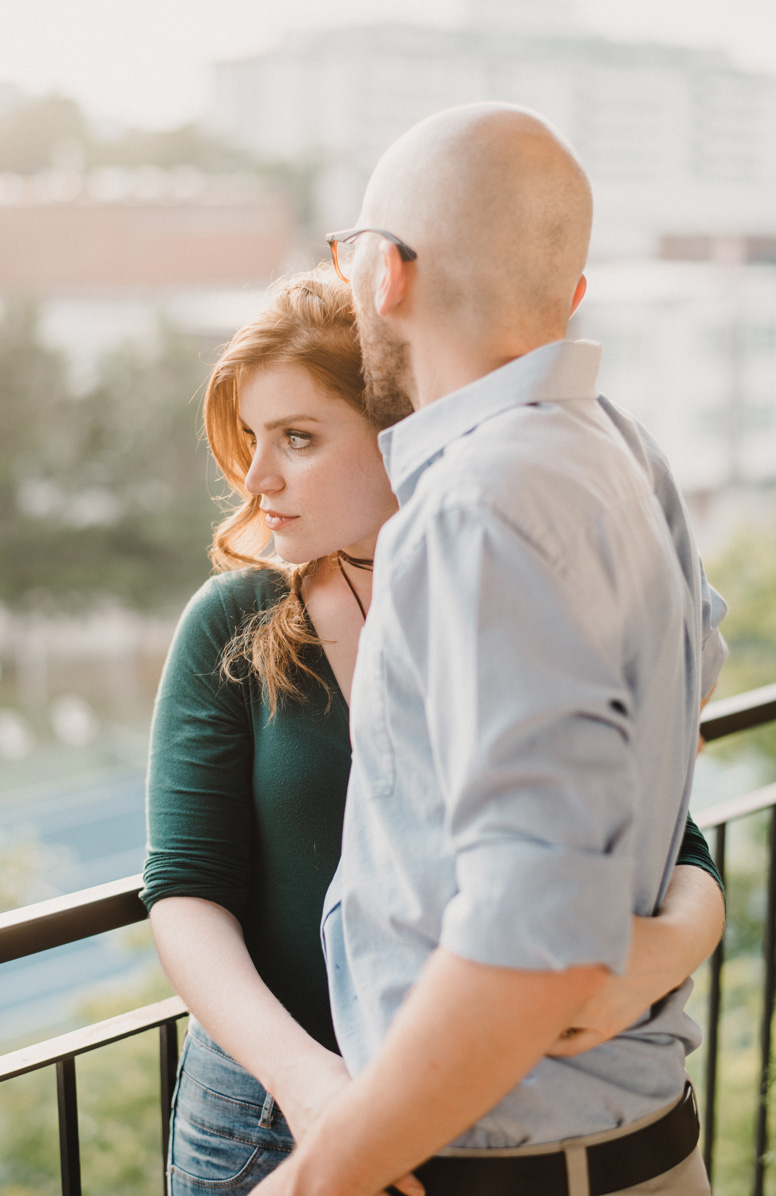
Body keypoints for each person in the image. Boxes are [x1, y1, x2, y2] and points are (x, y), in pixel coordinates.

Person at [143, 267, 726, 1195]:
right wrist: (308, 1083)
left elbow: (664, 833)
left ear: (398, 431)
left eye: (298, 437)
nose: (257, 480)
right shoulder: (235, 620)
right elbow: (183, 891)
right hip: (273, 1117)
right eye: (252, 440)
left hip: (494, 1112)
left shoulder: (503, 583)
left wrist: (662, 949)